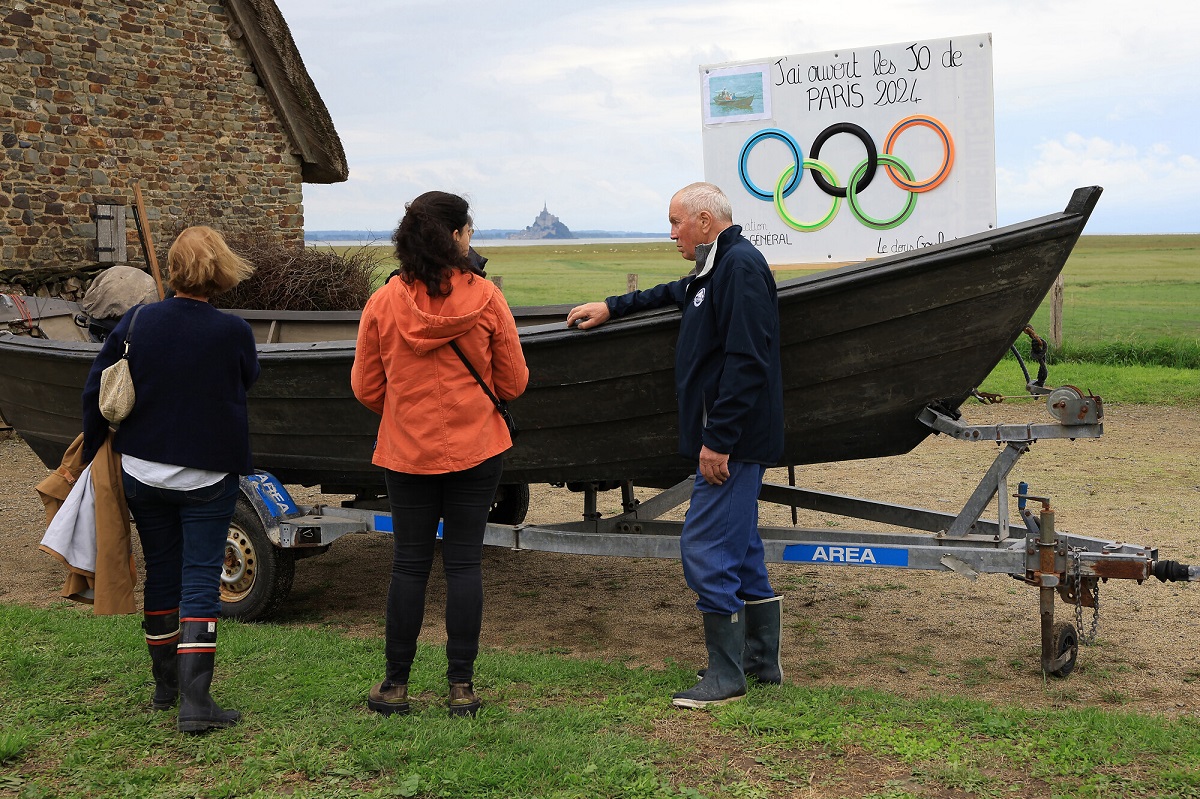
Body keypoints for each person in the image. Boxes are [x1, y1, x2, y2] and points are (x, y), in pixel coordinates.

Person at [566, 182, 784, 709]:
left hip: (734, 443)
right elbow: (676, 293)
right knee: (741, 549)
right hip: (733, 441)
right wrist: (612, 306)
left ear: (705, 220)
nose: (672, 234)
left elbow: (748, 361)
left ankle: (726, 676)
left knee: (705, 547)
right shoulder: (716, 266)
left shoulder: (740, 267)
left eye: (676, 223)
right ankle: (761, 663)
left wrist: (719, 441)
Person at [352, 191, 529, 718]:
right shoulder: (488, 299)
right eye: (468, 230)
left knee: (408, 565)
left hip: (406, 450)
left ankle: (396, 685)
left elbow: (365, 386)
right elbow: (514, 382)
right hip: (477, 447)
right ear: (454, 236)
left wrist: (405, 410)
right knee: (464, 563)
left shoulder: (384, 302)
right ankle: (461, 688)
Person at [81, 225, 259, 734]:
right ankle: (196, 704)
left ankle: (165, 689)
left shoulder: (138, 322)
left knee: (162, 571)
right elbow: (248, 379)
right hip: (207, 474)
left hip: (142, 470)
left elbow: (98, 387)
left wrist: (91, 449)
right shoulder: (234, 332)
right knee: (200, 576)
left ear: (174, 269)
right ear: (222, 270)